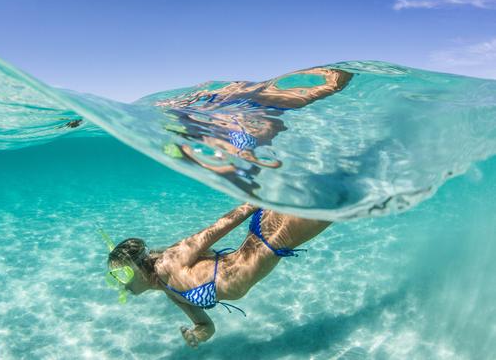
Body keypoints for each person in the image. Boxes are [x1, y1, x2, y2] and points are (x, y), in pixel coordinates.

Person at [105, 203, 331, 348]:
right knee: (346, 198)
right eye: (114, 277)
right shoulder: (170, 291)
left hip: (274, 232)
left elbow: (218, 228)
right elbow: (206, 326)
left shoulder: (170, 262)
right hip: (275, 242)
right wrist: (197, 336)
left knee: (346, 198)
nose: (119, 283)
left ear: (137, 265)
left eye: (120, 273)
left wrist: (257, 200)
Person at [159, 67, 353, 196]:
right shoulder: (219, 95)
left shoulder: (271, 97)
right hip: (211, 125)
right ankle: (236, 171)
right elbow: (336, 83)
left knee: (234, 156)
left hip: (228, 131)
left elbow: (337, 82)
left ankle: (238, 172)